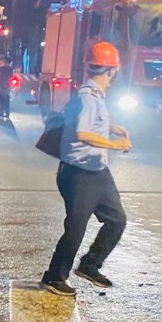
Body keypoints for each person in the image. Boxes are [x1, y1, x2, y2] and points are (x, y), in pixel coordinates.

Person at [41, 41, 130, 296]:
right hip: (78, 174)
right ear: (112, 71)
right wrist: (114, 143)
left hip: (97, 170)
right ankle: (54, 278)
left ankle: (90, 265)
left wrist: (111, 127)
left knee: (117, 220)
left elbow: (89, 125)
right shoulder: (87, 97)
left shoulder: (95, 96)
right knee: (76, 227)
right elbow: (82, 132)